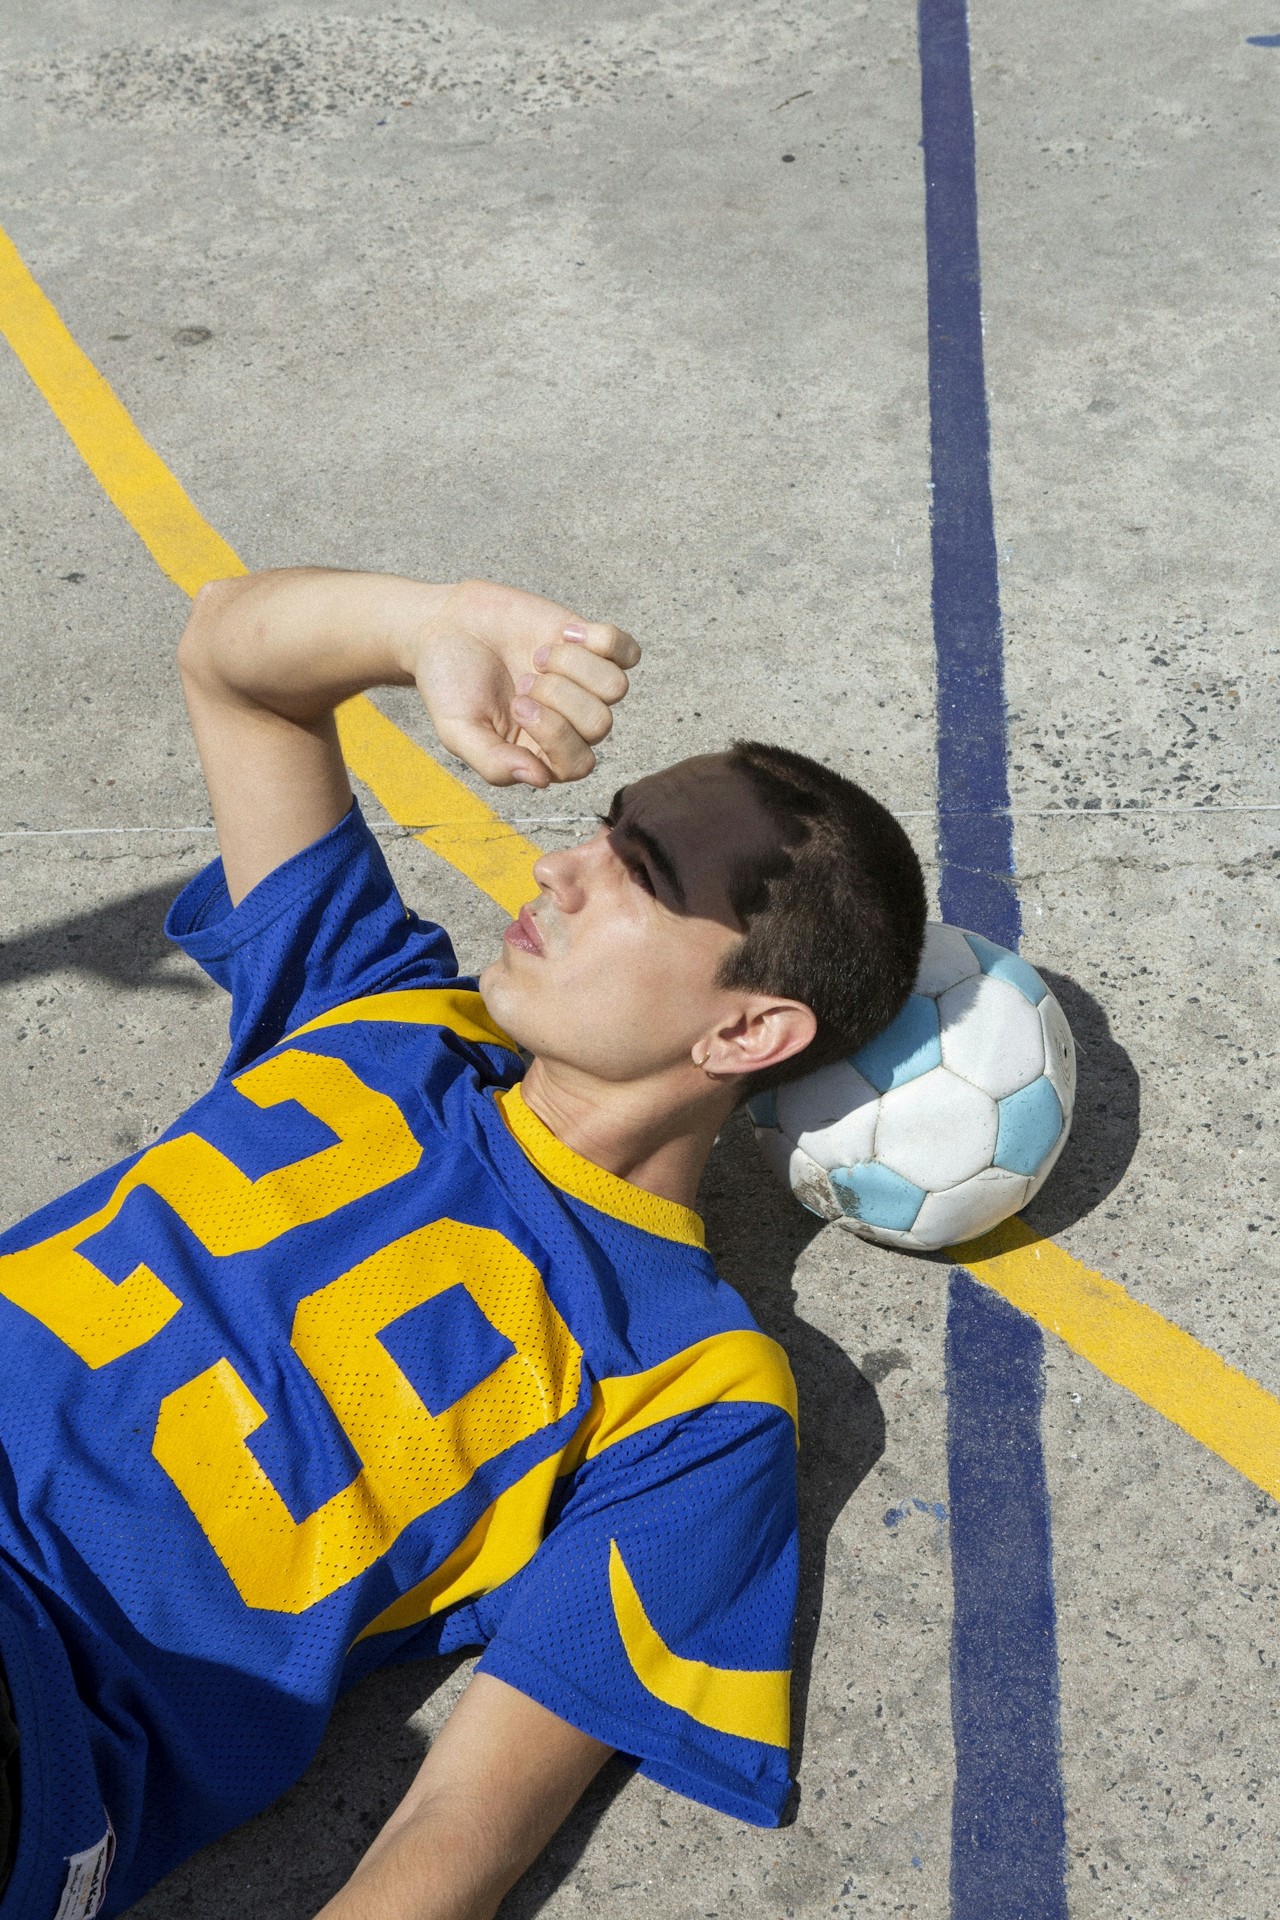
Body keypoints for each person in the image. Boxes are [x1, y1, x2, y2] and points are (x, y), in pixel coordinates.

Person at [0, 570, 926, 1920]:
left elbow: (451, 1838)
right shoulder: (373, 999)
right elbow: (231, 659)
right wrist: (429, 626)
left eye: (640, 875)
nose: (560, 864)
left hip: (49, 1677)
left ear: (745, 1033)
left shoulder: (696, 1394)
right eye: (606, 830)